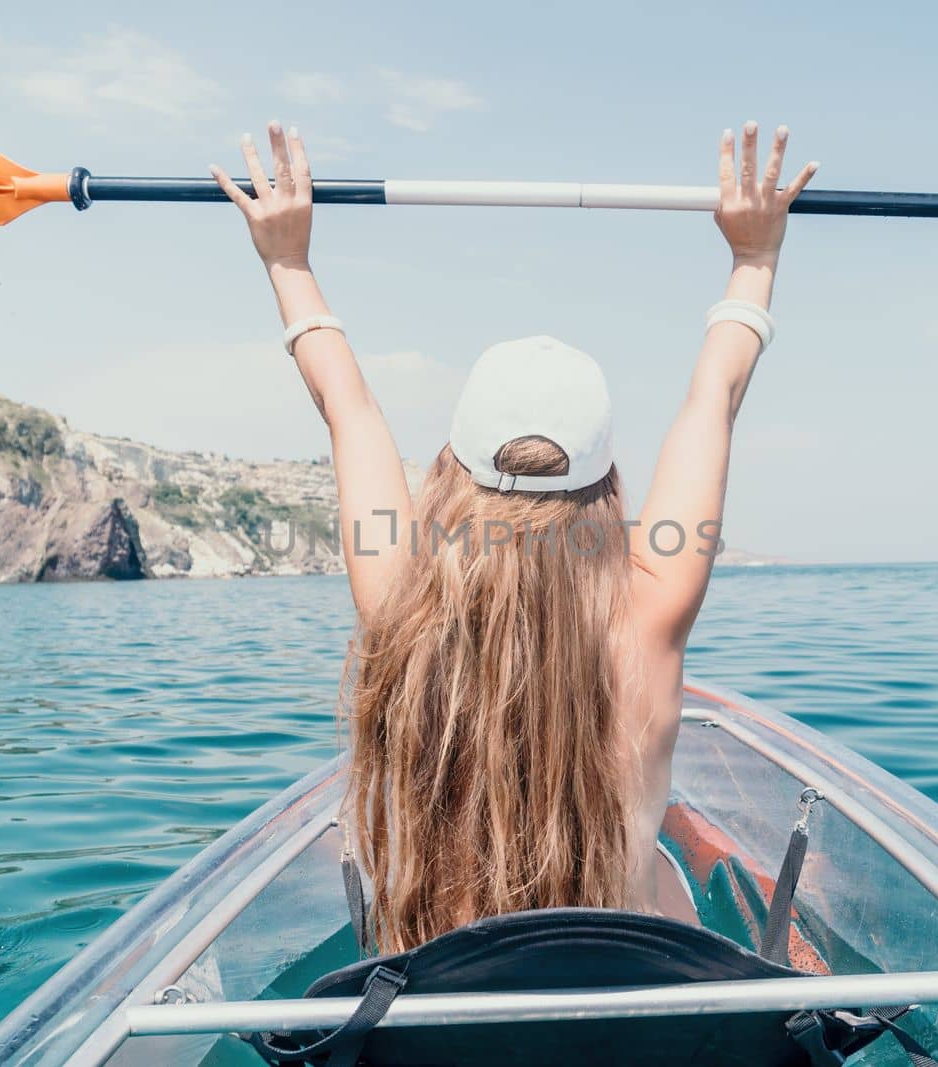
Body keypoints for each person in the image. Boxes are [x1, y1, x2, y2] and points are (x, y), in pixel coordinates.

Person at [212, 121, 817, 954]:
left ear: (450, 471)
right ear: (608, 488)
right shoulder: (653, 606)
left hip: (446, 1005)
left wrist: (288, 261)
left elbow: (343, 403)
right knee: (674, 889)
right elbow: (716, 395)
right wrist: (754, 258)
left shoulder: (399, 596)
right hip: (633, 991)